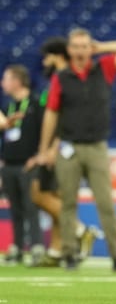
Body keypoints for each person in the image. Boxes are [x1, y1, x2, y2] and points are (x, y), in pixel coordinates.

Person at [36, 28, 116, 271]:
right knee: (68, 204)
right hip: (68, 147)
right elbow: (51, 114)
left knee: (105, 203)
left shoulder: (103, 68)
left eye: (85, 46)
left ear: (89, 48)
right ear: (69, 50)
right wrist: (44, 149)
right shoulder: (61, 77)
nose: (81, 51)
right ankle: (69, 255)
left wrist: (102, 46)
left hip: (96, 147)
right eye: (76, 46)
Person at [30, 37, 96, 267]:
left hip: (62, 146)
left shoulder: (68, 78)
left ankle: (79, 229)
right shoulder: (56, 79)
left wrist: (52, 147)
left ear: (57, 56)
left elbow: (67, 116)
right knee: (56, 196)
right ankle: (57, 250)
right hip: (55, 146)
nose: (44, 61)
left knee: (38, 193)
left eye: (47, 56)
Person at [0, 64, 44, 265]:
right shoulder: (7, 106)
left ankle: (36, 247)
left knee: (30, 206)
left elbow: (46, 132)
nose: (3, 83)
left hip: (29, 163)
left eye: (6, 79)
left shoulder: (35, 104)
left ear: (17, 81)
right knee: (15, 208)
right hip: (8, 164)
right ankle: (17, 247)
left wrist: (38, 156)